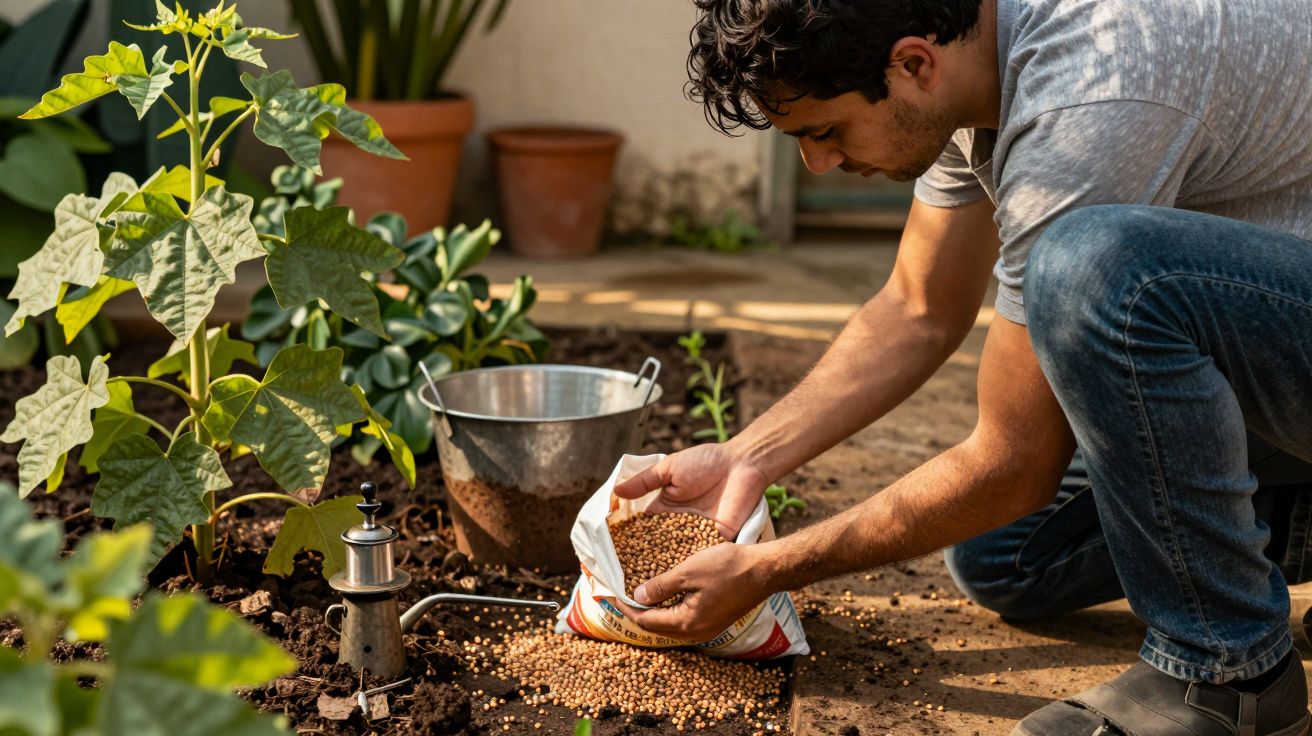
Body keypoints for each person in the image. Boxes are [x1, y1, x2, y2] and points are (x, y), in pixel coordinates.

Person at [610, 1, 1312, 734]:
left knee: (1093, 270)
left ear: (914, 64)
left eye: (826, 131)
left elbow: (1015, 464)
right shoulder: (967, 56)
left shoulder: (1089, 94)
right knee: (1007, 554)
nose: (818, 164)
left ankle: (1226, 674)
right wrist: (745, 457)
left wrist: (767, 569)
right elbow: (918, 308)